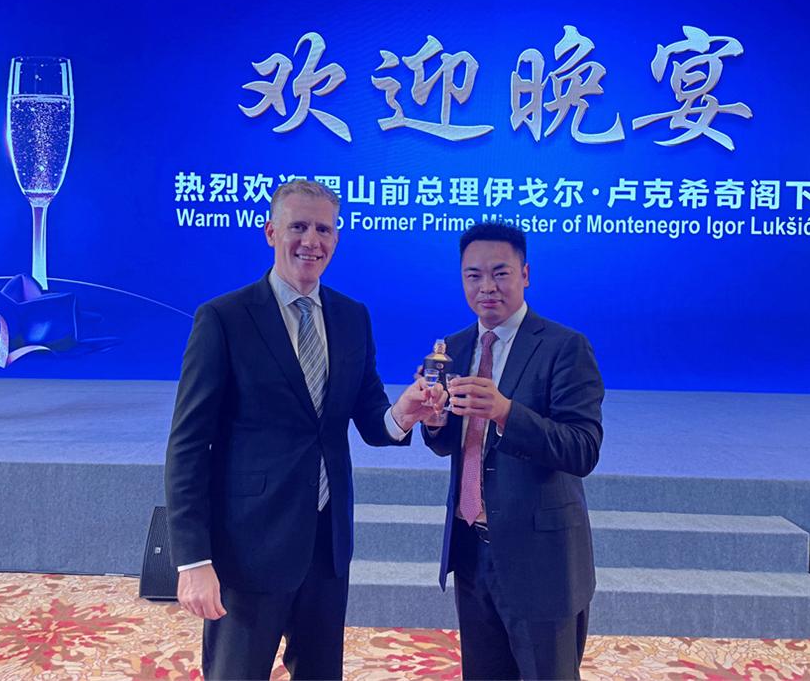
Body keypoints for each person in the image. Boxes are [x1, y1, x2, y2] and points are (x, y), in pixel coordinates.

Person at [164, 179, 443, 680]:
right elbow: (187, 446)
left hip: (326, 546)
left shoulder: (352, 317)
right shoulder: (224, 318)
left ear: (336, 238)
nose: (311, 241)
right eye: (298, 227)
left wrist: (404, 413)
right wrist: (193, 560)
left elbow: (370, 417)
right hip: (248, 546)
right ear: (271, 232)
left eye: (323, 229)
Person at [423, 221, 604, 680]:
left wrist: (506, 412)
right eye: (473, 275)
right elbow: (452, 444)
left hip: (541, 561)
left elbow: (583, 449)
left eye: (500, 273)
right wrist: (435, 421)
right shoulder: (455, 348)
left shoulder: (565, 347)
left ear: (525, 274)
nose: (486, 287)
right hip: (472, 551)